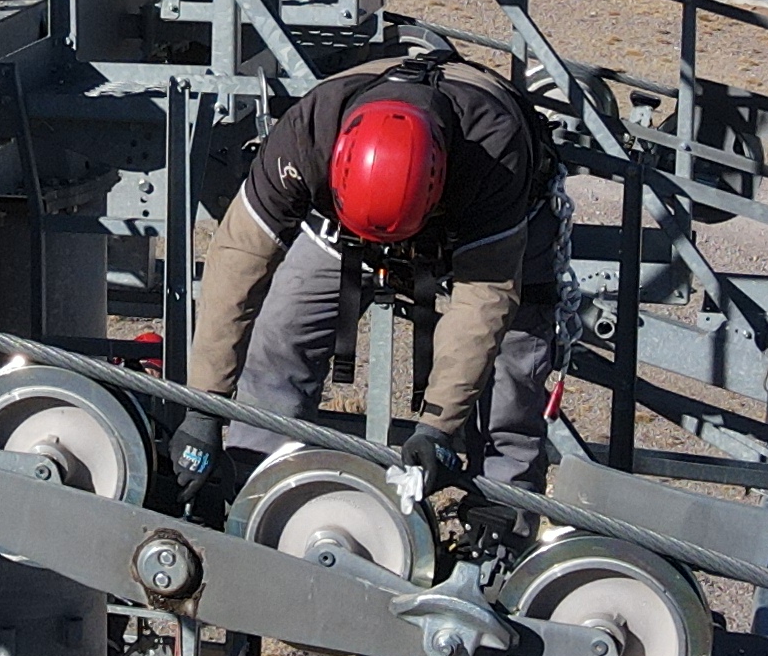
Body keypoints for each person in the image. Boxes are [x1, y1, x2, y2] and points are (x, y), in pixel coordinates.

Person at [167, 40, 570, 521]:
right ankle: (257, 490)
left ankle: (503, 515)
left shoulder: (494, 152)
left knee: (510, 372)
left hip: (488, 224)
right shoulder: (308, 132)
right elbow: (237, 261)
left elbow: (483, 305)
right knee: (279, 337)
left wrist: (437, 427)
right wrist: (204, 409)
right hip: (339, 232)